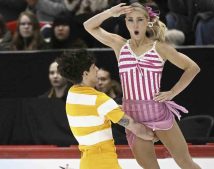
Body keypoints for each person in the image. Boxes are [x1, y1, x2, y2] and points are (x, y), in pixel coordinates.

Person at [84, 2, 201, 169]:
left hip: (158, 113)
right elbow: (88, 26)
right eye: (130, 20)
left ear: (148, 21)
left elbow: (193, 68)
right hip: (133, 118)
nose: (135, 24)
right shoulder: (120, 45)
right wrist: (111, 12)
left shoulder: (160, 48)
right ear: (125, 22)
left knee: (185, 163)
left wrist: (172, 92)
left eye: (139, 19)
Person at [56, 49, 154, 169]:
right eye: (93, 67)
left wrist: (114, 109)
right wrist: (155, 135)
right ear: (85, 73)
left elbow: (92, 112)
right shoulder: (100, 101)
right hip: (104, 162)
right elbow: (132, 125)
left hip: (87, 162)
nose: (97, 69)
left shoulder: (72, 94)